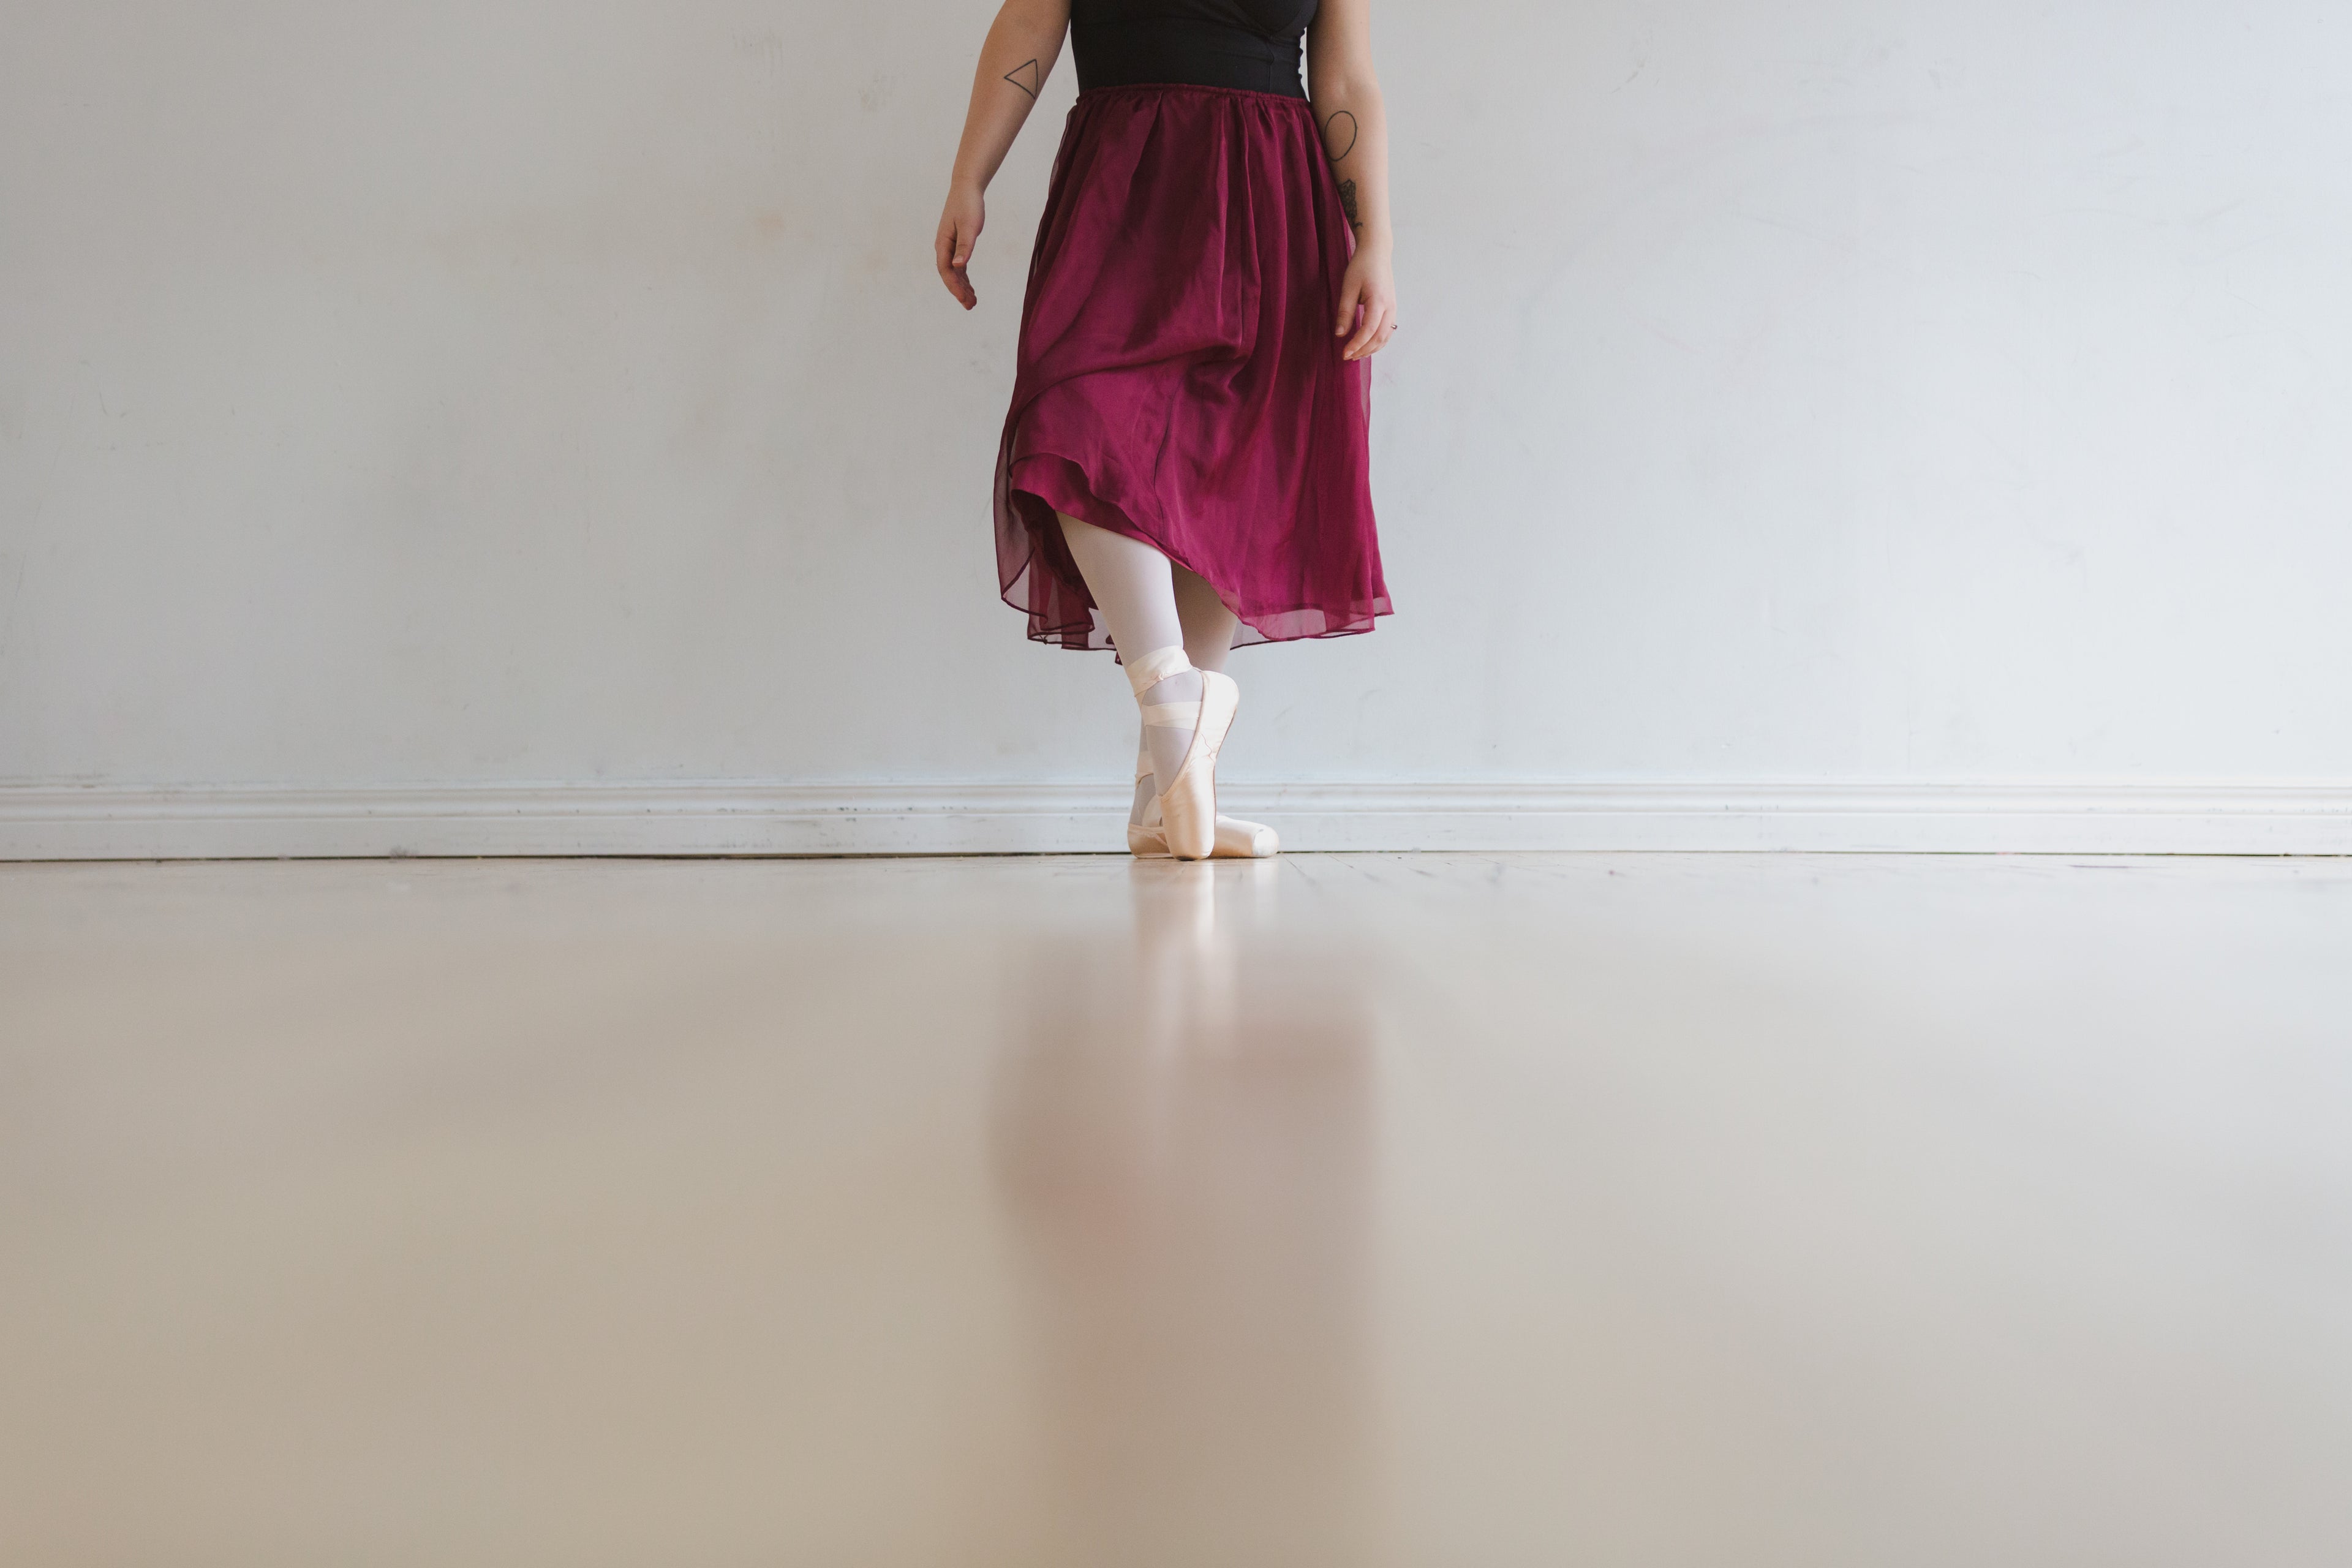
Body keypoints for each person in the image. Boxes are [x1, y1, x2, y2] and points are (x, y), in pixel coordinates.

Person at [937, 0, 1396, 861]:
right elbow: (1028, 24)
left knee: (1230, 460)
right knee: (1075, 420)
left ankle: (1167, 791)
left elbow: (1345, 80)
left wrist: (1375, 241)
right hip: (1125, 177)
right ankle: (1170, 693)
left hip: (1272, 189)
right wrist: (970, 175)